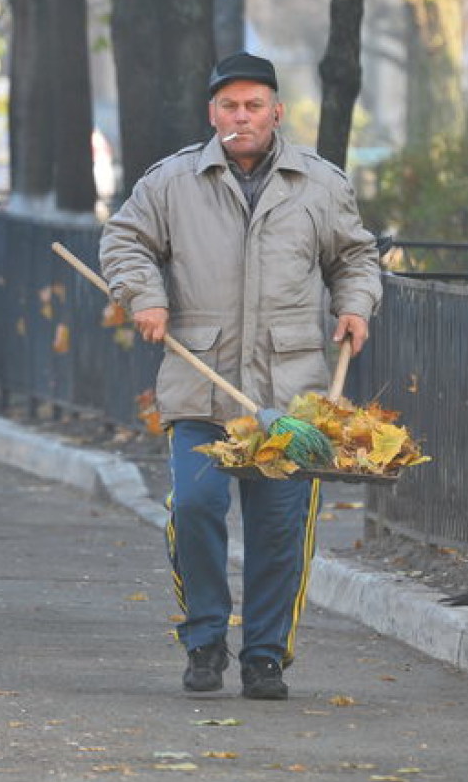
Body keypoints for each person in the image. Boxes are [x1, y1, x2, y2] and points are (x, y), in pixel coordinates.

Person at [98, 52, 383, 700]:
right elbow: (124, 241)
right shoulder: (172, 184)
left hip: (291, 398)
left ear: (276, 111)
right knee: (195, 508)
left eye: (254, 105)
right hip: (201, 386)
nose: (242, 117)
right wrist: (144, 294)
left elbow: (356, 257)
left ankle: (264, 656)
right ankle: (204, 639)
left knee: (280, 529)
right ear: (212, 114)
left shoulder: (318, 184)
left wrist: (354, 306)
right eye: (229, 106)